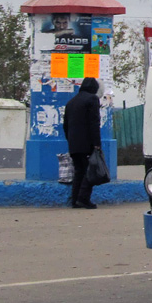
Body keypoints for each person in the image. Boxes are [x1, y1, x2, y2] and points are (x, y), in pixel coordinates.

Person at [63, 77, 102, 209]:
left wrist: (70, 140)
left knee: (79, 171)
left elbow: (65, 125)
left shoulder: (71, 102)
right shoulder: (92, 99)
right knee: (89, 172)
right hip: (87, 143)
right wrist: (96, 143)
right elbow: (94, 122)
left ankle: (75, 200)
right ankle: (83, 199)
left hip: (74, 143)